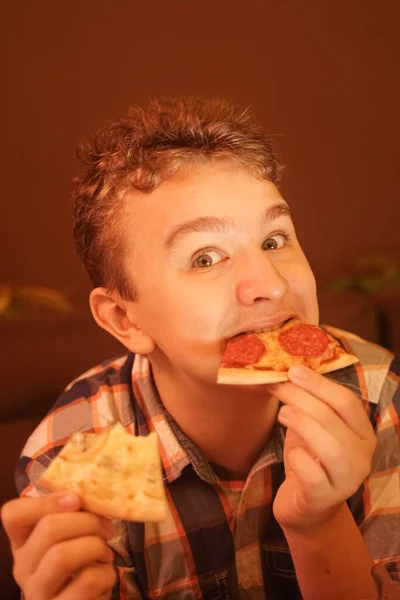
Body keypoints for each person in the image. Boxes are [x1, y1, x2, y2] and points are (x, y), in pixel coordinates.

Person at [1, 97, 399, 600]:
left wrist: (318, 524)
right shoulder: (71, 446)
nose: (270, 284)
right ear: (126, 319)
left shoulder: (382, 396)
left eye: (274, 240)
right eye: (206, 258)